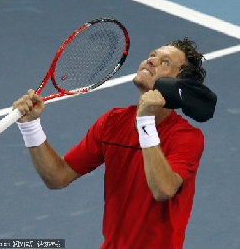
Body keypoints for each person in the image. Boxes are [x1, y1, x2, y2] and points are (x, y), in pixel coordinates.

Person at [14, 37, 206, 249]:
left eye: (165, 62)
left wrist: (145, 121)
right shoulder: (112, 123)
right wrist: (31, 126)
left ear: (178, 84)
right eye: (152, 55)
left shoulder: (187, 137)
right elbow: (58, 177)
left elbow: (163, 190)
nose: (151, 61)